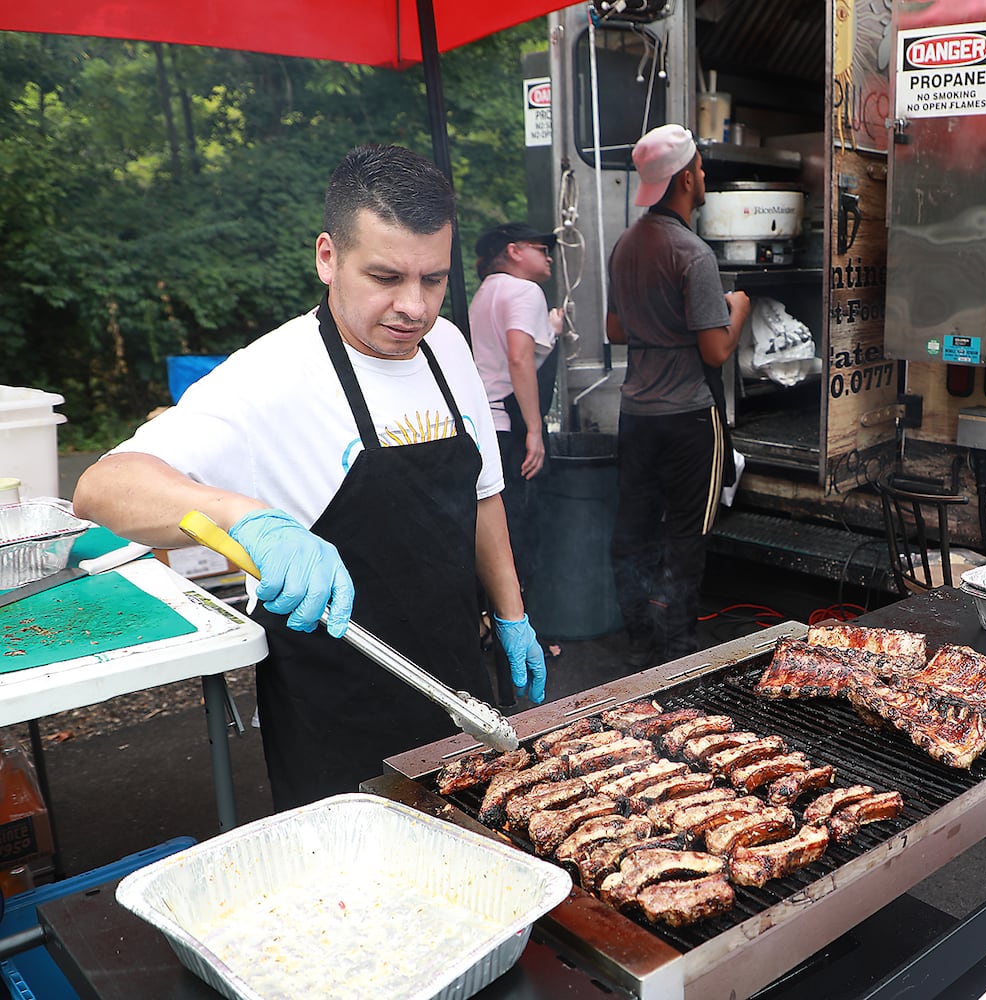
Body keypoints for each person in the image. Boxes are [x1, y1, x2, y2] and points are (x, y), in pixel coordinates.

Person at [72, 144, 547, 812]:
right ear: (327, 256)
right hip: (337, 709)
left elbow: (483, 495)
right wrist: (246, 518)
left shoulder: (447, 346)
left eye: (433, 280)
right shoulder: (269, 377)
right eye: (384, 276)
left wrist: (512, 613)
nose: (414, 307)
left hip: (459, 679)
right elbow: (101, 487)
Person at [604, 124, 750, 669]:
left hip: (635, 413)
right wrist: (738, 311)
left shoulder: (625, 245)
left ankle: (638, 634)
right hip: (689, 417)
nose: (705, 176)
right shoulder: (693, 253)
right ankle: (678, 649)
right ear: (687, 178)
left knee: (634, 527)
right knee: (688, 533)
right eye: (702, 169)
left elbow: (616, 329)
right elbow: (715, 352)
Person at [470, 222, 562, 596]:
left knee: (496, 526)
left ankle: (492, 618)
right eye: (542, 247)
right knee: (522, 527)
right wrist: (536, 431)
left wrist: (550, 329)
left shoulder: (487, 292)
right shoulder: (526, 291)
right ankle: (526, 624)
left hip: (484, 423)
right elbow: (519, 359)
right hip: (510, 426)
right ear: (514, 250)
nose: (549, 256)